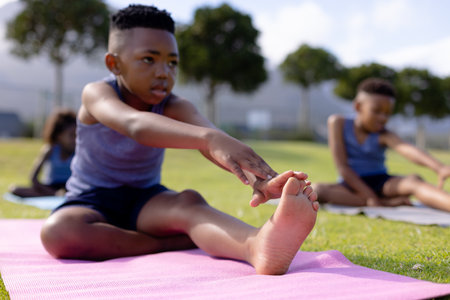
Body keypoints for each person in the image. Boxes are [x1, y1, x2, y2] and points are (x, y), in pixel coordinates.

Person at [40, 4, 319, 275]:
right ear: (114, 63)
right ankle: (171, 243)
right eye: (149, 59)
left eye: (172, 62)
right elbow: (135, 124)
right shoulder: (97, 94)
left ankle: (257, 246)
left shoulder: (175, 105)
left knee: (188, 204)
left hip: (146, 202)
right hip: (90, 201)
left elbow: (216, 146)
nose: (164, 72)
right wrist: (210, 138)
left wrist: (259, 178)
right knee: (58, 233)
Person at [314, 77, 450, 212]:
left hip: (382, 183)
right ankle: (385, 203)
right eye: (377, 111)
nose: (383, 118)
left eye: (387, 113)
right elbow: (343, 167)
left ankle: (384, 201)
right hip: (351, 185)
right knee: (317, 190)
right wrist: (371, 198)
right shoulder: (338, 123)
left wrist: (439, 167)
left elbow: (407, 149)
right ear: (358, 106)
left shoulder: (384, 134)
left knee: (414, 183)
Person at [9, 109, 76, 197]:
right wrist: (53, 193)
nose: (75, 139)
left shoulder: (79, 151)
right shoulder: (50, 149)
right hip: (50, 187)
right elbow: (33, 178)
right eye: (71, 135)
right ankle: (56, 195)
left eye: (77, 135)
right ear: (59, 135)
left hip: (70, 187)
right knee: (15, 189)